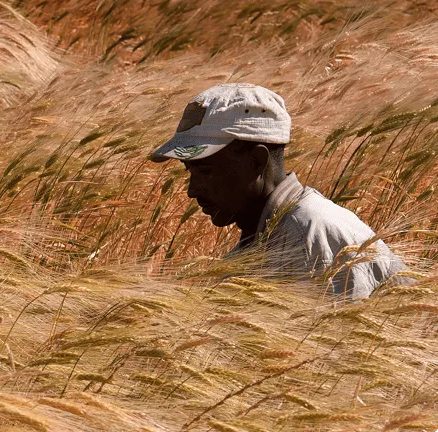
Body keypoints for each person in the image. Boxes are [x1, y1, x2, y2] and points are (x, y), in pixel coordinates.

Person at [150, 83, 407, 299]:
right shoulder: (268, 234)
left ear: (257, 162)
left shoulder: (309, 235)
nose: (192, 190)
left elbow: (338, 349)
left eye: (205, 171)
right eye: (189, 171)